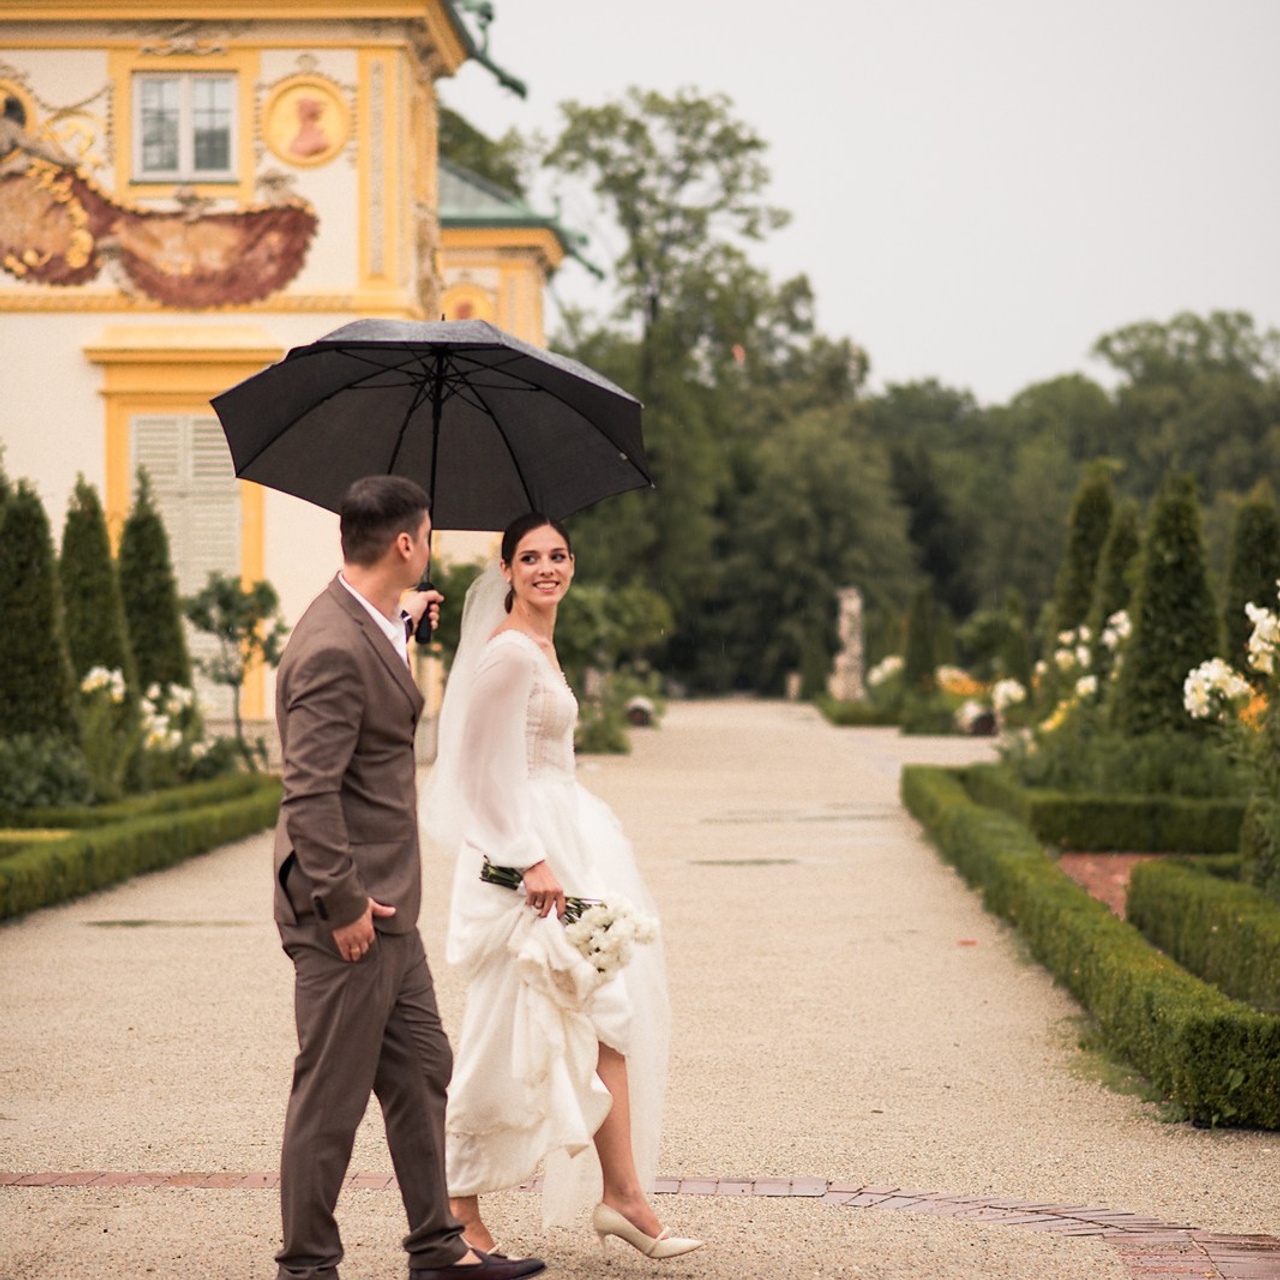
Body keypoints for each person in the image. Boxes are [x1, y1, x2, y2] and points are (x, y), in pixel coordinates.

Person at [272, 475, 546, 1280]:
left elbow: (372, 710)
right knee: (329, 1098)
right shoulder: (327, 644)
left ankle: (438, 1247)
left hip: (389, 906)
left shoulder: (370, 622)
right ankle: (307, 1266)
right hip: (348, 907)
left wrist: (403, 628)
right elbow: (309, 790)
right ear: (405, 544)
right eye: (426, 535)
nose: (429, 546)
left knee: (424, 1068)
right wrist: (343, 900)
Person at [420, 513, 703, 1261]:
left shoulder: (540, 643)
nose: (547, 567)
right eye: (530, 557)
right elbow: (475, 770)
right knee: (499, 1032)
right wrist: (527, 859)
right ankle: (457, 1204)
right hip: (522, 866)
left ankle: (623, 1196)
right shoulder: (508, 653)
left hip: (567, 844)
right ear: (506, 570)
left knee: (608, 1011)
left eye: (558, 555)